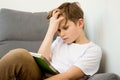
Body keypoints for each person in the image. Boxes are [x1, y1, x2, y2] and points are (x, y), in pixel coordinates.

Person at [0, 2, 102, 80]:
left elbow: (68, 76)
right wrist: (51, 30)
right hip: (41, 73)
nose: (61, 34)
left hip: (57, 77)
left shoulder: (92, 50)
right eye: (58, 30)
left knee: (20, 55)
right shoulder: (59, 41)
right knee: (19, 55)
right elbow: (42, 58)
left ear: (80, 23)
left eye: (65, 28)